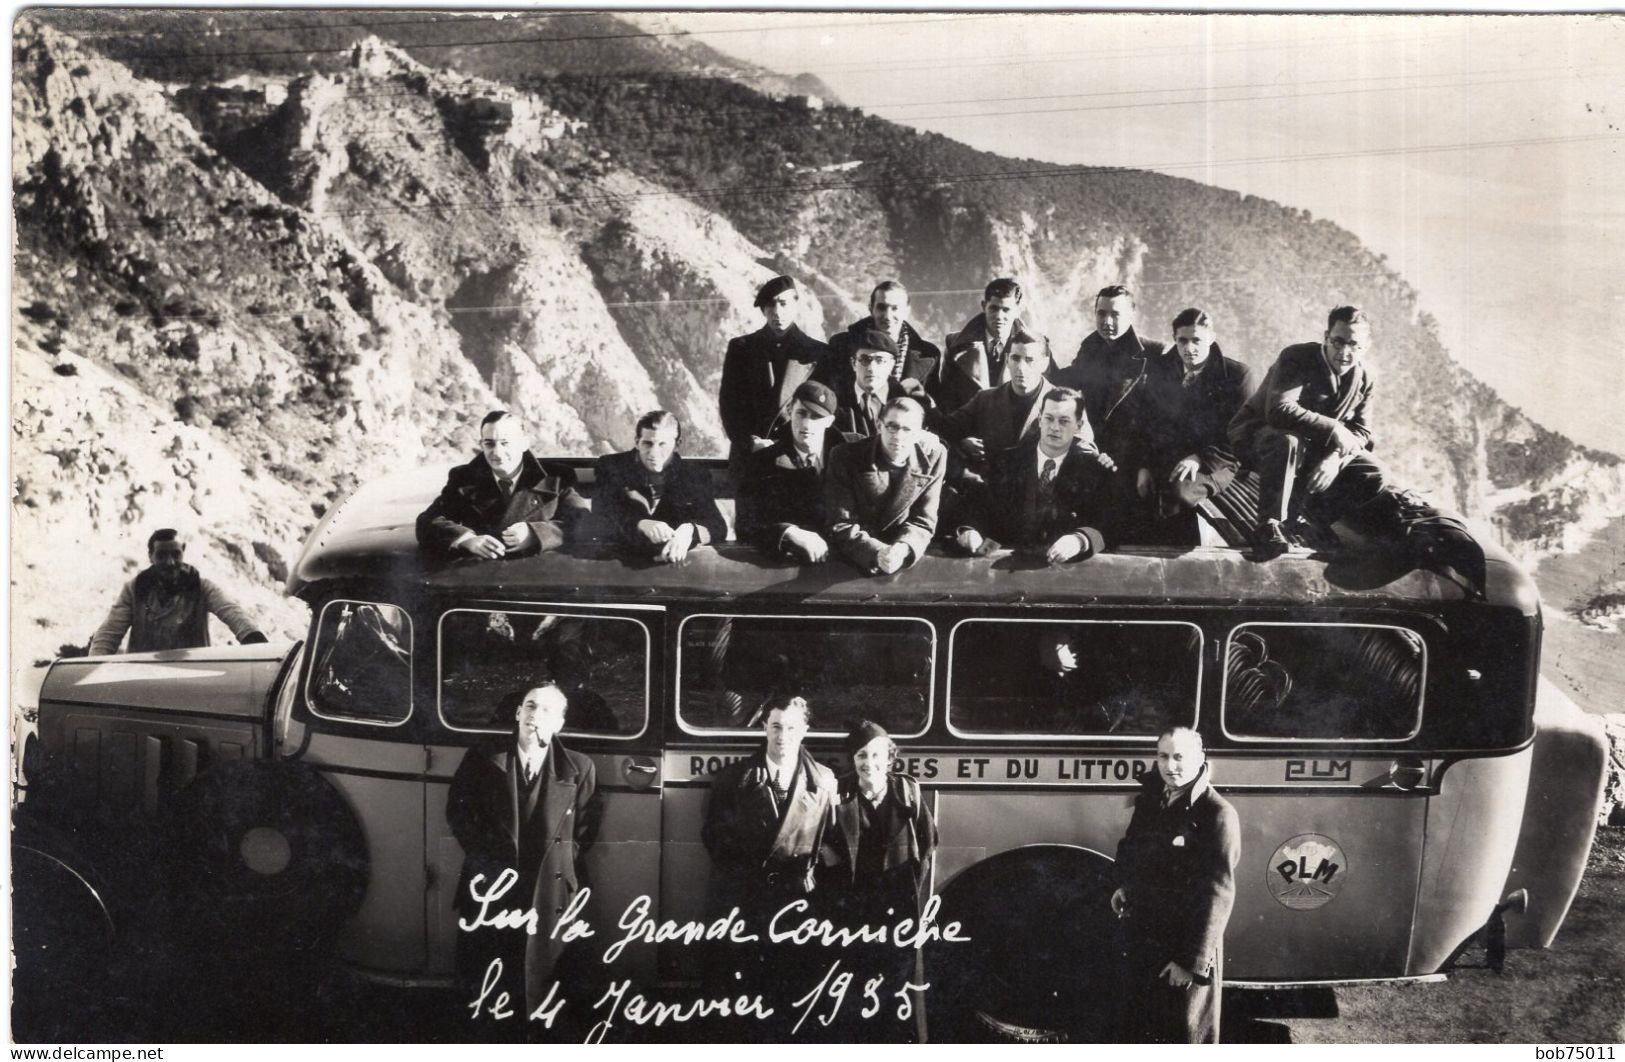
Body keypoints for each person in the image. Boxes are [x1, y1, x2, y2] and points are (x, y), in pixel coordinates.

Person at [447, 683, 598, 1034]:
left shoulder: (581, 768)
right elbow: (458, 814)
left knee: (546, 984)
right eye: (529, 706)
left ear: (559, 723)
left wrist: (556, 865)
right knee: (490, 979)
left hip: (551, 890)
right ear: (517, 714)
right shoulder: (483, 759)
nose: (535, 716)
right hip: (494, 884)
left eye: (546, 711)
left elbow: (586, 831)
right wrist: (489, 860)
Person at [701, 694, 838, 1032]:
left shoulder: (824, 782)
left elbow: (832, 844)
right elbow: (715, 840)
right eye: (776, 726)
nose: (783, 736)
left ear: (804, 731)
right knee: (743, 1002)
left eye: (791, 728)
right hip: (745, 904)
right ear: (764, 728)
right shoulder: (734, 780)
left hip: (798, 905)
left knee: (791, 999)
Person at [1110, 726, 1240, 1043]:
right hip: (1145, 937)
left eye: (1180, 757)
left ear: (1200, 760)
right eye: (1163, 756)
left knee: (1182, 1034)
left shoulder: (1217, 814)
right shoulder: (1153, 800)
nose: (1170, 766)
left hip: (1184, 947)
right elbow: (1130, 847)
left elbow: (1216, 895)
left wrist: (1190, 962)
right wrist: (1125, 884)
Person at [1228, 306, 1382, 556]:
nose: (1344, 353)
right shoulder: (1297, 357)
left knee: (1374, 473)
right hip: (1260, 437)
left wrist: (1335, 459)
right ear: (1326, 337)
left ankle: (1312, 521)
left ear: (1366, 345)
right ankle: (1270, 525)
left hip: (1311, 448)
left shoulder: (1367, 375)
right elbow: (1279, 410)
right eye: (1338, 342)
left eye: (1354, 345)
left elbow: (1362, 431)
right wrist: (1334, 429)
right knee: (1287, 441)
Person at [818, 720, 938, 1041]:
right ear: (852, 760)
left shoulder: (907, 791)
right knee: (851, 976)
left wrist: (909, 885)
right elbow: (821, 841)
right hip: (851, 904)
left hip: (896, 903)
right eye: (860, 756)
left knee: (895, 976)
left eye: (875, 755)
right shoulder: (839, 792)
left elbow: (927, 842)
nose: (868, 763)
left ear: (889, 758)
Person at [1052, 284, 1168, 537]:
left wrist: (1147, 465)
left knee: (1134, 529)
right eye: (1101, 313)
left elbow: (1160, 420)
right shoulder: (1090, 347)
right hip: (1098, 451)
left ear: (1131, 315)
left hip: (1137, 456)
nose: (1107, 321)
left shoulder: (1155, 353)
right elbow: (1069, 381)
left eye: (1115, 314)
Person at [1132, 310, 1256, 546]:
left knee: (1179, 493)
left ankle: (1179, 562)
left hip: (1219, 460)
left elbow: (1241, 436)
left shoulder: (1236, 375)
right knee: (1133, 487)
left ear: (1211, 338)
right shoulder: (1162, 371)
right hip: (1168, 455)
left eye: (1197, 340)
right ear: (1175, 340)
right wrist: (1144, 465)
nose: (1189, 348)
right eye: (1182, 340)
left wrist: (1199, 458)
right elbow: (1146, 423)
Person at [954, 388, 1110, 562]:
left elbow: (1106, 523)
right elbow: (979, 507)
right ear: (1040, 420)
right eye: (1049, 418)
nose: (1055, 428)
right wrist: (970, 530)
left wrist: (1080, 540)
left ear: (1078, 426)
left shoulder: (1094, 470)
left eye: (1064, 421)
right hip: (1006, 566)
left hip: (1064, 569)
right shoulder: (1007, 461)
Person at [416, 410, 589, 560]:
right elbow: (427, 521)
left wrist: (536, 534)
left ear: (523, 444)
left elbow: (583, 521)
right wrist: (466, 539)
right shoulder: (463, 478)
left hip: (541, 575)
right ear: (481, 445)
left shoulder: (557, 478)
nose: (497, 452)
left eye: (506, 443)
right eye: (489, 443)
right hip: (480, 578)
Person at [931, 340, 1094, 481]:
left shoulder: (1064, 402)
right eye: (1015, 358)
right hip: (991, 495)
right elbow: (947, 429)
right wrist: (925, 401)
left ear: (1044, 363)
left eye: (1029, 360)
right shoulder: (985, 399)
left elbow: (1085, 448)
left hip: (1041, 498)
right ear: (1007, 360)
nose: (1021, 367)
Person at [719, 275, 832, 478]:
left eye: (783, 303)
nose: (777, 311)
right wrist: (751, 442)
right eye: (770, 305)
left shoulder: (817, 353)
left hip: (796, 461)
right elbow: (729, 405)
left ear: (796, 305)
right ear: (763, 309)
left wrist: (791, 445)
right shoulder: (741, 348)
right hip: (750, 460)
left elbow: (823, 412)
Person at [88, 528, 266, 655]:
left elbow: (231, 612)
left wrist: (255, 642)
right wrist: (93, 666)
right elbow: (109, 633)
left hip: (190, 675)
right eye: (161, 555)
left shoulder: (201, 587)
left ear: (184, 552)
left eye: (175, 554)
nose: (170, 562)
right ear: (150, 556)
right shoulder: (134, 590)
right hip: (143, 676)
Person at [825, 397, 947, 575]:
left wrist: (903, 548)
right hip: (856, 558)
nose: (898, 436)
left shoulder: (933, 458)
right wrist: (877, 551)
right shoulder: (845, 456)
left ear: (919, 432)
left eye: (907, 429)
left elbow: (924, 520)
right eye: (892, 426)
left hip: (902, 559)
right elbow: (840, 523)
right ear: (879, 425)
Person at [595, 411, 727, 563]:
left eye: (662, 444)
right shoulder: (611, 467)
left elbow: (717, 527)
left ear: (677, 445)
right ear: (637, 442)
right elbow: (599, 520)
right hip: (620, 561)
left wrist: (690, 531)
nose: (653, 453)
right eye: (647, 443)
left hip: (674, 564)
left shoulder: (694, 475)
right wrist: (639, 524)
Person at [736, 380, 841, 562]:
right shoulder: (763, 462)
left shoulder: (848, 455)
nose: (807, 424)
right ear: (790, 410)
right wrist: (789, 532)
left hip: (841, 564)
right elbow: (746, 524)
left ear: (830, 421)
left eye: (817, 417)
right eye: (802, 413)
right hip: (785, 563)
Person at [940, 278, 1055, 411]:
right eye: (994, 308)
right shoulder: (955, 345)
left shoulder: (1038, 347)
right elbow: (946, 400)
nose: (999, 316)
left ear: (1018, 310)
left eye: (1006, 310)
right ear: (984, 306)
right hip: (967, 427)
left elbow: (1048, 398)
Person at [828, 281, 943, 398]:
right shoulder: (840, 345)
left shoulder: (929, 354)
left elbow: (934, 404)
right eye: (881, 307)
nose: (888, 316)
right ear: (871, 308)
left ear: (907, 311)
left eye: (895, 308)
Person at [822, 331, 932, 441]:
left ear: (891, 365)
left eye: (880, 360)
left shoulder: (908, 400)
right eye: (864, 359)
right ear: (853, 363)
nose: (871, 368)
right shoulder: (834, 400)